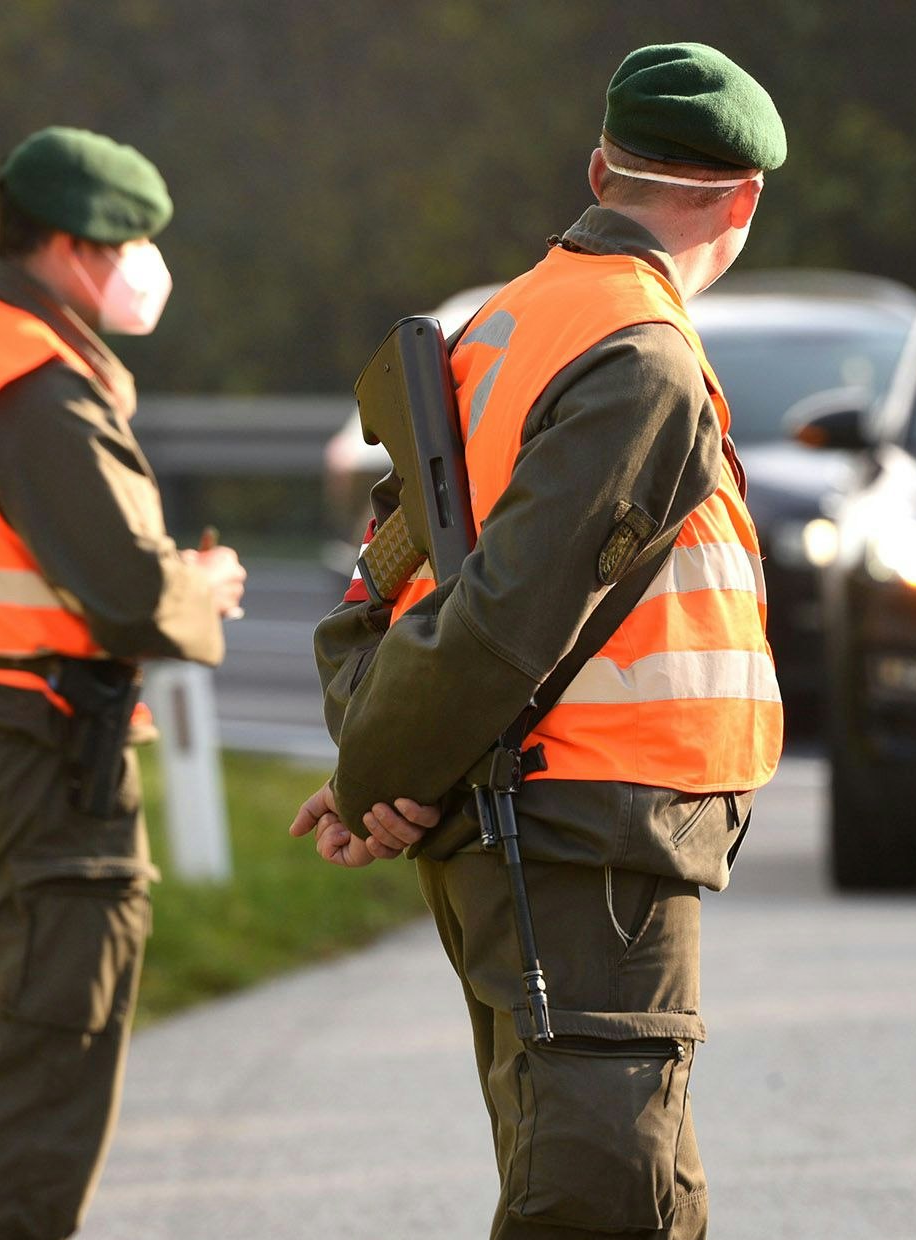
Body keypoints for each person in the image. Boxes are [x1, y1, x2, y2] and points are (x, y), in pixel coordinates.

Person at [293, 43, 787, 1240]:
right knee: (599, 1190)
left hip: (520, 819)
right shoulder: (643, 356)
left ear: (598, 169)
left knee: (635, 1182)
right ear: (741, 200)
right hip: (582, 831)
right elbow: (509, 616)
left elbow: (377, 587)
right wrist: (380, 778)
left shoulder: (500, 326)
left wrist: (384, 764)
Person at [0, 125, 246, 1239]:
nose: (147, 269)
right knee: (34, 1073)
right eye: (134, 244)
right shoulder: (40, 386)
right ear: (73, 247)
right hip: (44, 763)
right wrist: (202, 585)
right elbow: (125, 590)